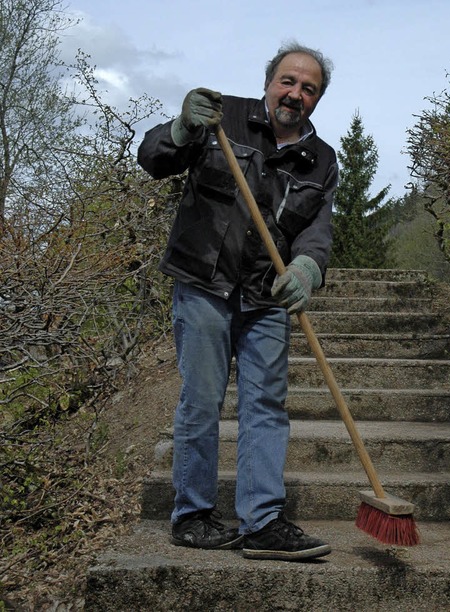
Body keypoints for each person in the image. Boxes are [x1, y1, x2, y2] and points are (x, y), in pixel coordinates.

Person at [137, 42, 338, 561]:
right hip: (204, 283)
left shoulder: (321, 160)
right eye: (288, 82)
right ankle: (193, 515)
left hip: (266, 296)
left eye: (308, 88)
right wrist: (182, 128)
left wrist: (309, 267)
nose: (295, 94)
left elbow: (317, 229)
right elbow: (154, 158)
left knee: (266, 405)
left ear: (317, 99)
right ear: (270, 82)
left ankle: (263, 520)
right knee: (202, 401)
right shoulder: (222, 117)